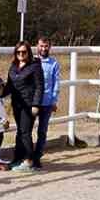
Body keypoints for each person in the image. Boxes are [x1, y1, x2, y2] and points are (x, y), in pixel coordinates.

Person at [4, 41, 44, 171]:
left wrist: (36, 104)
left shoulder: (35, 66)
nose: (21, 54)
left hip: (29, 104)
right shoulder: (13, 66)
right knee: (20, 132)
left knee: (25, 132)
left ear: (28, 52)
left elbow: (39, 86)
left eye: (24, 52)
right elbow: (9, 85)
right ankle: (17, 158)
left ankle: (29, 160)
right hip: (17, 104)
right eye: (18, 52)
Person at [33, 37, 61, 167]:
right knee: (26, 130)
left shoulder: (54, 63)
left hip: (47, 101)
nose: (44, 48)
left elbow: (56, 83)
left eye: (46, 46)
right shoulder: (32, 61)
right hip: (33, 101)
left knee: (42, 131)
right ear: (37, 46)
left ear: (50, 47)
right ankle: (25, 156)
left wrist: (54, 100)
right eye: (41, 46)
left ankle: (37, 157)